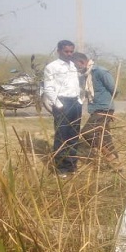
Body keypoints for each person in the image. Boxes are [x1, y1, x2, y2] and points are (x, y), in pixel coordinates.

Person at [42, 40, 82, 177]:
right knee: (61, 136)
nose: (69, 54)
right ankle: (60, 168)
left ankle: (71, 166)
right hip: (62, 103)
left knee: (74, 136)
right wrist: (58, 105)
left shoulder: (74, 65)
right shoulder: (51, 67)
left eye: (71, 51)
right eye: (66, 51)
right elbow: (48, 88)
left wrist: (80, 100)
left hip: (75, 103)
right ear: (59, 51)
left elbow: (77, 83)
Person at [72, 52, 119, 165]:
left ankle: (109, 156)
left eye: (75, 65)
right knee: (105, 137)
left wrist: (109, 107)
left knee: (87, 132)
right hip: (95, 108)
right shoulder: (86, 74)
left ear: (81, 62)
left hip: (104, 108)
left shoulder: (100, 71)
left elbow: (114, 89)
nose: (75, 68)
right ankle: (116, 164)